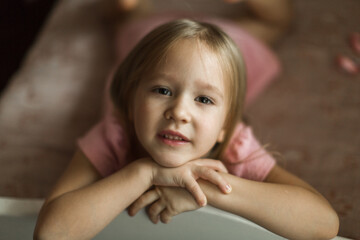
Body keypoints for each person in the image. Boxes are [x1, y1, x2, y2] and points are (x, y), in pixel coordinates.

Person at [34, 1, 339, 239]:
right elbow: (51, 232)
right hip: (145, 40)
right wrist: (145, 173)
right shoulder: (116, 132)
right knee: (125, 18)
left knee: (273, 22)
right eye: (162, 91)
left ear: (224, 127)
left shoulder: (234, 142)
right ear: (130, 103)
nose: (179, 112)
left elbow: (323, 223)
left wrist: (203, 188)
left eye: (204, 100)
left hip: (233, 45)